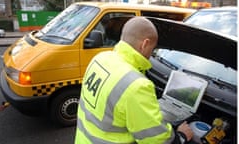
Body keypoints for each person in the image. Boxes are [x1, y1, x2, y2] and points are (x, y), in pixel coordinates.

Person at [75, 16, 193, 144]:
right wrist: (180, 136)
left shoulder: (100, 58)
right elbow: (156, 140)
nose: (151, 54)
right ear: (145, 44)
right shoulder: (136, 85)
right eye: (153, 49)